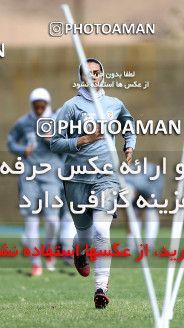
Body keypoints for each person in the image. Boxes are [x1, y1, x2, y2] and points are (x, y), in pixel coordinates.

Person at [50, 58, 136, 308]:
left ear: (103, 75)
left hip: (106, 177)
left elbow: (128, 125)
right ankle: (79, 252)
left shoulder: (114, 104)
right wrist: (84, 139)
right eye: (89, 74)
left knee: (101, 230)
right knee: (85, 235)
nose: (94, 77)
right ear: (81, 78)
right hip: (76, 177)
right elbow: (55, 142)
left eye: (98, 72)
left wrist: (129, 145)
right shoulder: (70, 107)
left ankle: (101, 287)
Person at [7, 88, 62, 276]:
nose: (39, 109)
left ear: (47, 104)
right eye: (36, 106)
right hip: (29, 175)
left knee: (52, 220)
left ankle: (48, 250)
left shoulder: (57, 120)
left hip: (51, 176)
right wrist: (22, 150)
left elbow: (68, 144)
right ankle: (35, 262)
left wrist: (52, 140)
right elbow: (10, 141)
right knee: (31, 218)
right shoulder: (24, 122)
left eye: (42, 106)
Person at [124, 161, 164, 251]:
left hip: (152, 186)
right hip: (136, 184)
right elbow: (128, 212)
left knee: (151, 212)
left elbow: (154, 196)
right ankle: (132, 244)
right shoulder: (124, 181)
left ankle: (149, 244)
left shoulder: (148, 183)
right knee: (132, 214)